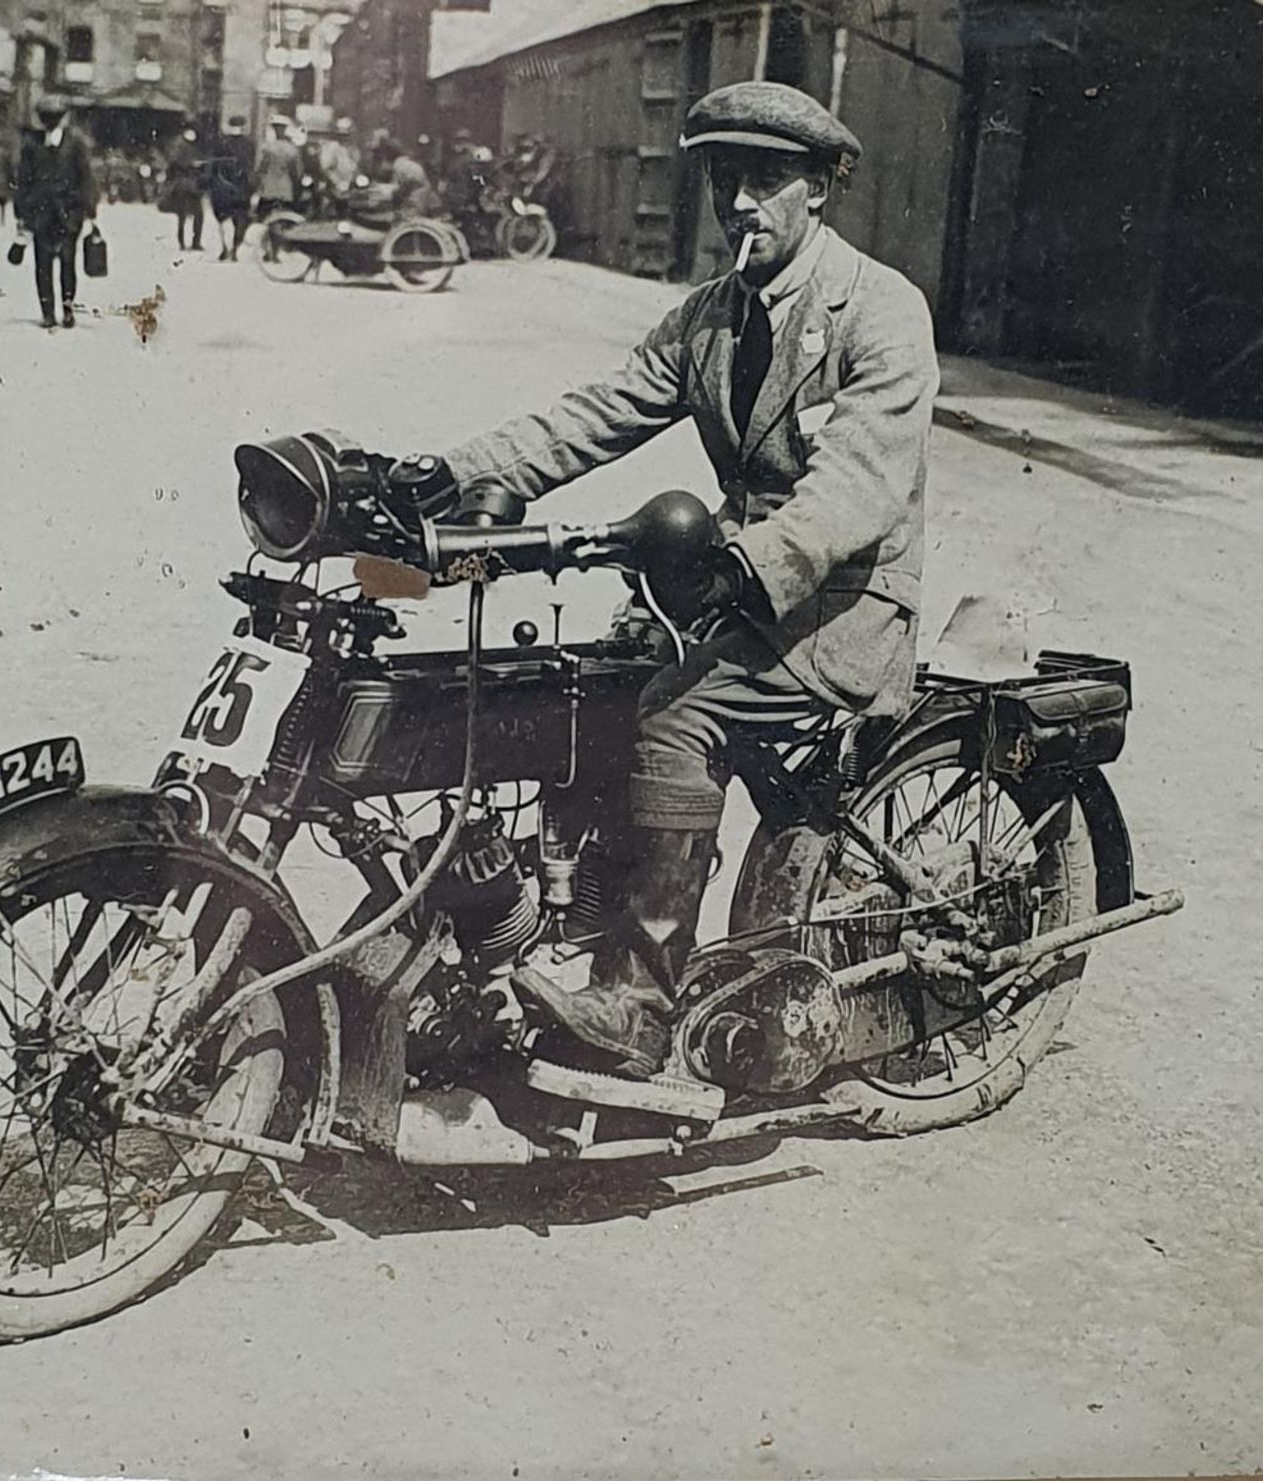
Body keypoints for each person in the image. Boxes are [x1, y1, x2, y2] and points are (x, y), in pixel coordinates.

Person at [413, 83, 938, 1077]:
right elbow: (593, 415)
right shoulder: (708, 317)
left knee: (673, 714)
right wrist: (452, 473)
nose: (741, 201)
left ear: (820, 189)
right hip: (737, 591)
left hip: (840, 604)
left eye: (767, 180)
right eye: (725, 178)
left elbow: (859, 482)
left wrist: (752, 565)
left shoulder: (881, 312)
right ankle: (545, 928)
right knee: (579, 683)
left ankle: (641, 998)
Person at [13, 94, 97, 329]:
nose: (50, 121)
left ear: (62, 118)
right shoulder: (31, 145)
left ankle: (68, 309)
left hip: (69, 213)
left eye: (54, 117)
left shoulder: (76, 144)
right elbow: (23, 179)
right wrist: (22, 210)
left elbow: (86, 178)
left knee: (68, 263)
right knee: (43, 264)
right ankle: (48, 312)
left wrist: (88, 207)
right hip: (40, 213)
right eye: (46, 117)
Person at [206, 115, 254, 260]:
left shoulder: (221, 142)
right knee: (241, 219)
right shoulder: (249, 144)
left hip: (222, 187)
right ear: (244, 126)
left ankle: (225, 248)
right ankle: (235, 249)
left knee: (222, 219)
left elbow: (213, 166)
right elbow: (251, 166)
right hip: (242, 187)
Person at [251, 115, 301, 223]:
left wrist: (258, 183)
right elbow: (297, 172)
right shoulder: (292, 149)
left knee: (262, 219)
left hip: (268, 189)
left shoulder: (266, 148)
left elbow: (259, 168)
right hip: (286, 190)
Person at [161, 123, 204, 250]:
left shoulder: (188, 146)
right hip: (185, 184)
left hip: (188, 184)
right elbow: (176, 163)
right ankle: (188, 242)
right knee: (188, 214)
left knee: (188, 215)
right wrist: (191, 164)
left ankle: (190, 242)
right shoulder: (180, 145)